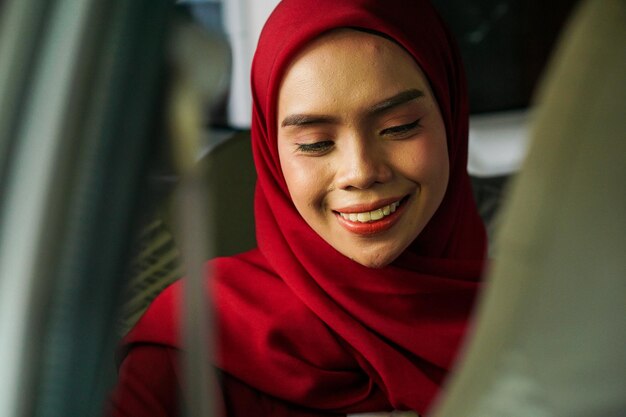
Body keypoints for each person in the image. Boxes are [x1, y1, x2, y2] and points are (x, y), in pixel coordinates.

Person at [107, 0, 487, 416]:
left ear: (450, 117)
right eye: (315, 144)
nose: (360, 172)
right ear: (271, 152)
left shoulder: (534, 309)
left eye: (399, 128)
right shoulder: (194, 341)